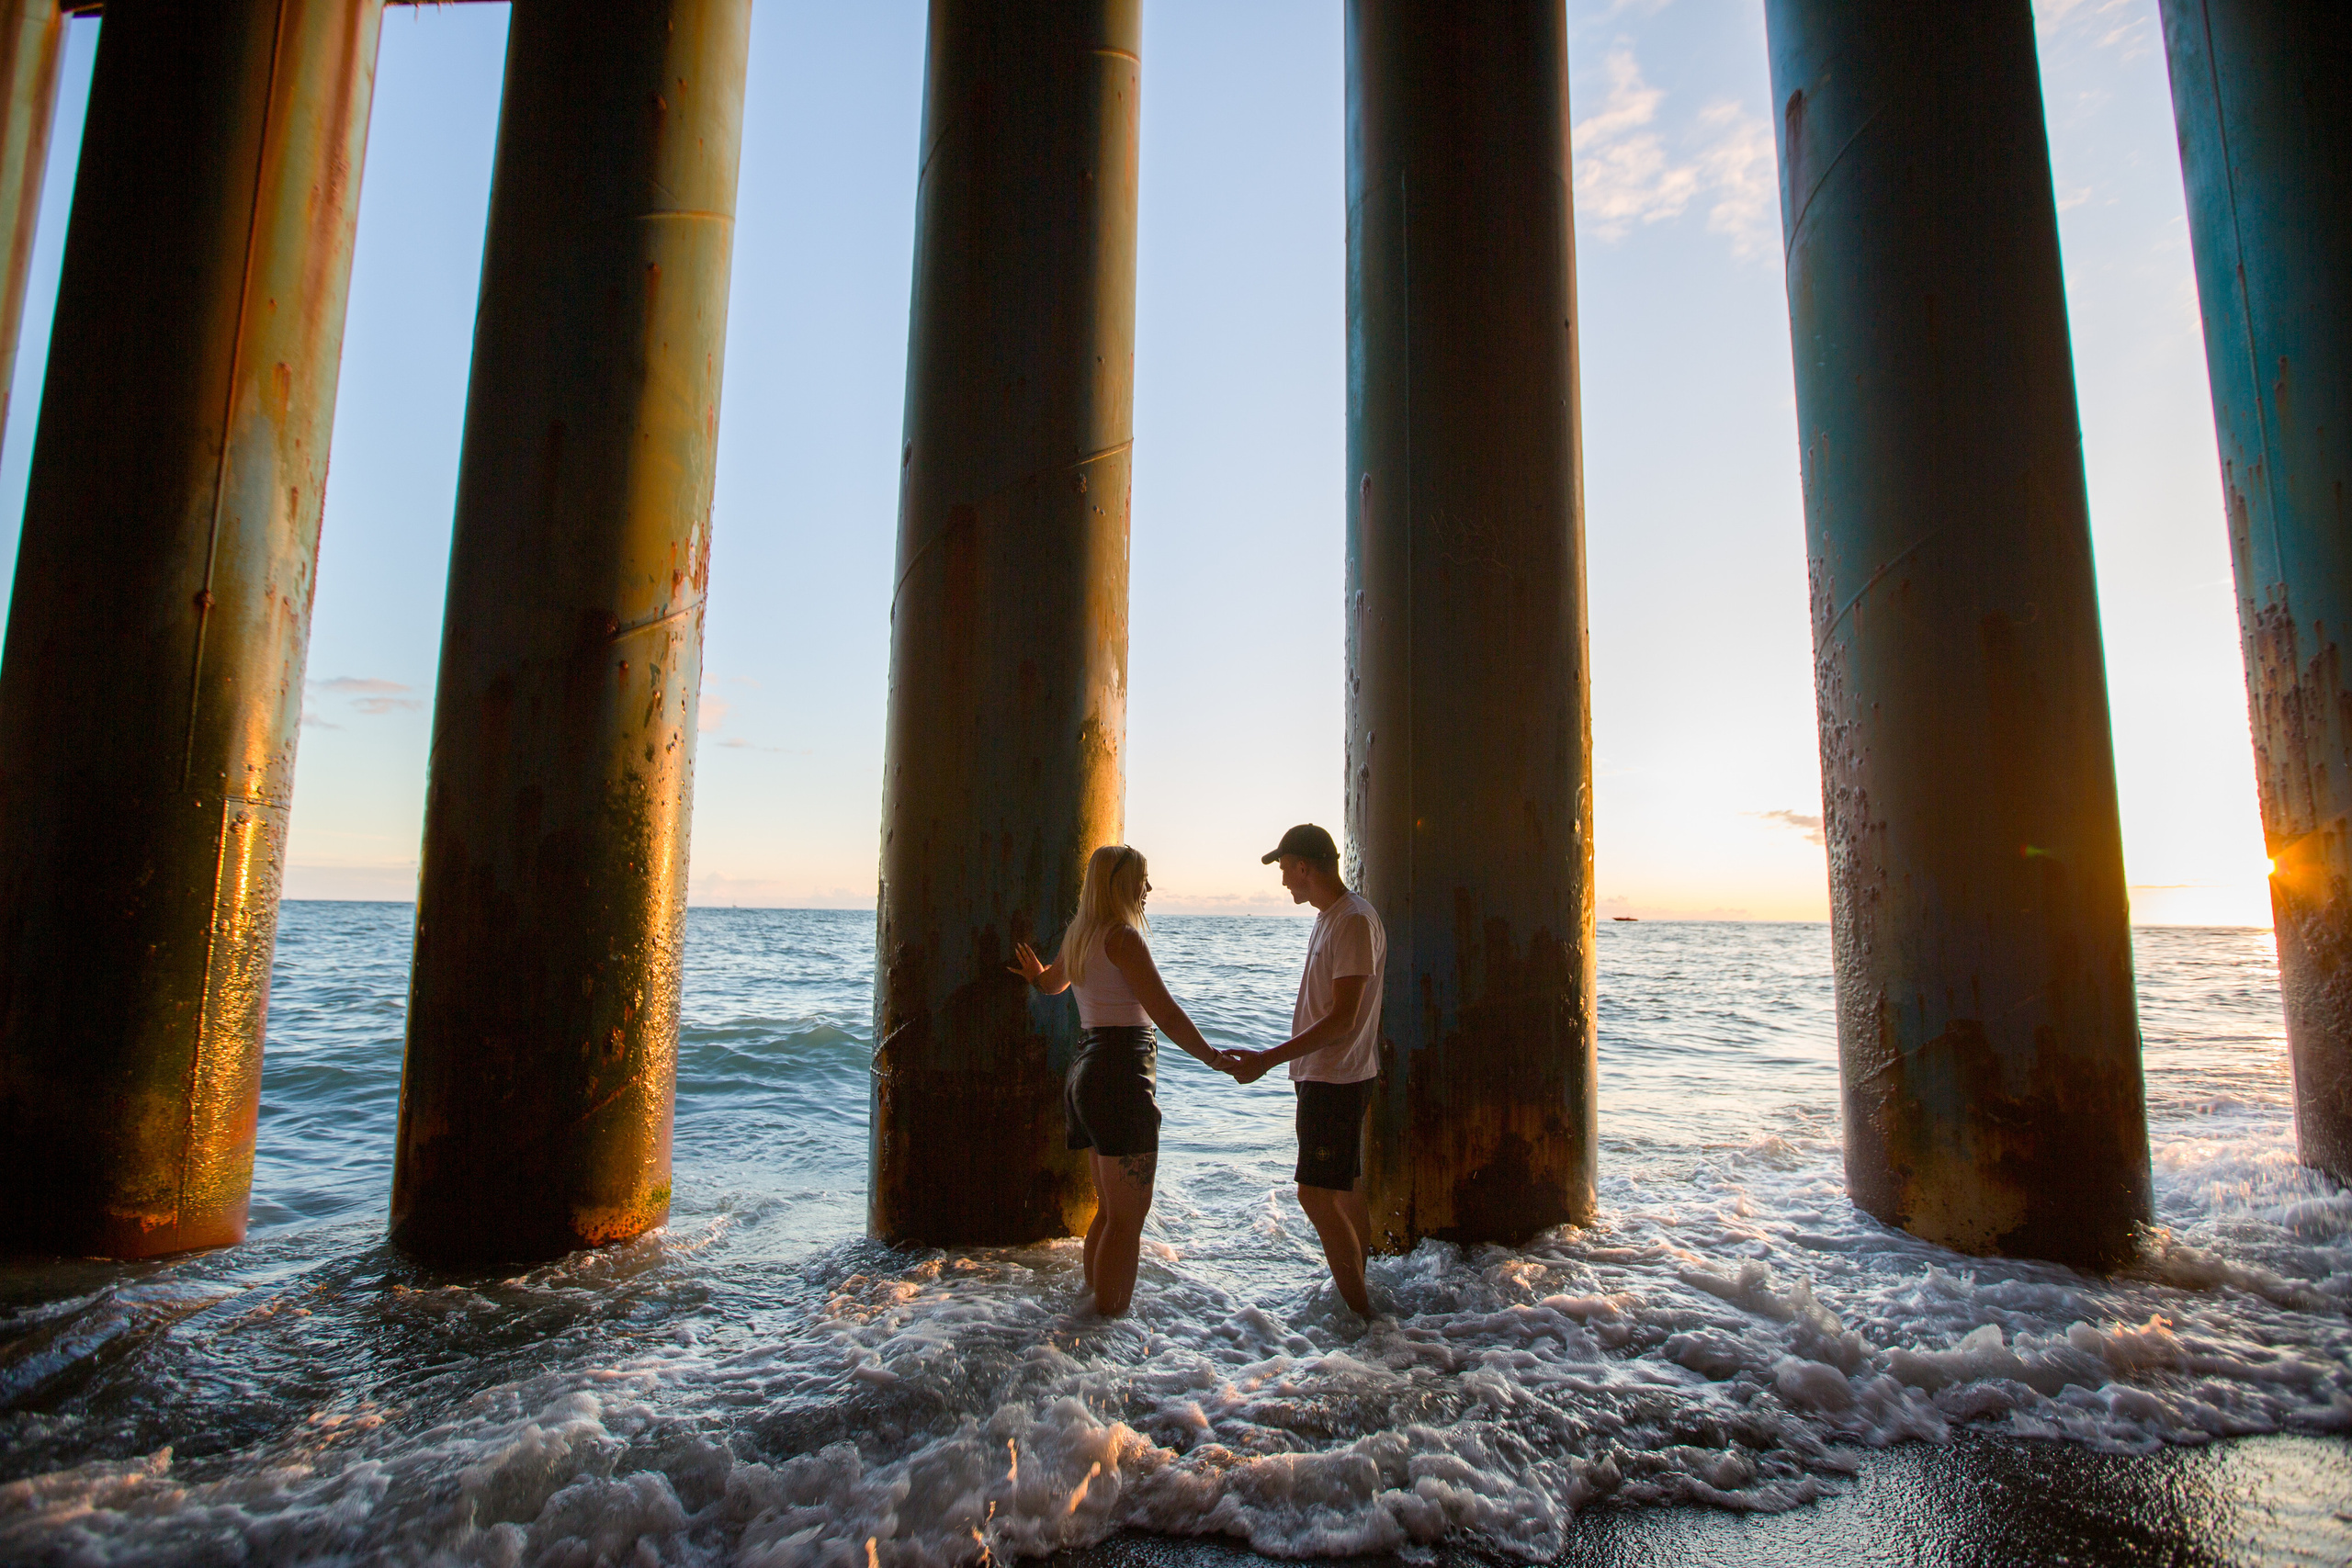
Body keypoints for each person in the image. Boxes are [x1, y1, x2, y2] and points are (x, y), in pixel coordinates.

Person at [1009, 843, 1223, 1315]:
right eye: (1141, 880)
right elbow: (1164, 1011)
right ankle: (1106, 1328)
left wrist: (1035, 973)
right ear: (1119, 884)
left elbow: (1051, 985)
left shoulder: (1079, 934)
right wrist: (1213, 1057)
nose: (1147, 889)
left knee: (1109, 1212)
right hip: (1122, 1076)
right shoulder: (1124, 939)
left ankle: (1091, 1313)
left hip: (1085, 1075)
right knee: (1127, 1222)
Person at [1224, 823, 1386, 1316]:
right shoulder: (1332, 917)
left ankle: (1364, 1316)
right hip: (1330, 1075)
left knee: (1315, 1198)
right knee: (1345, 1189)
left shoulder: (1353, 921)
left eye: (1283, 869)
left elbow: (1343, 1018)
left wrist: (1267, 1059)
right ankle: (1364, 1296)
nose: (1282, 882)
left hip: (1335, 1077)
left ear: (1303, 866)